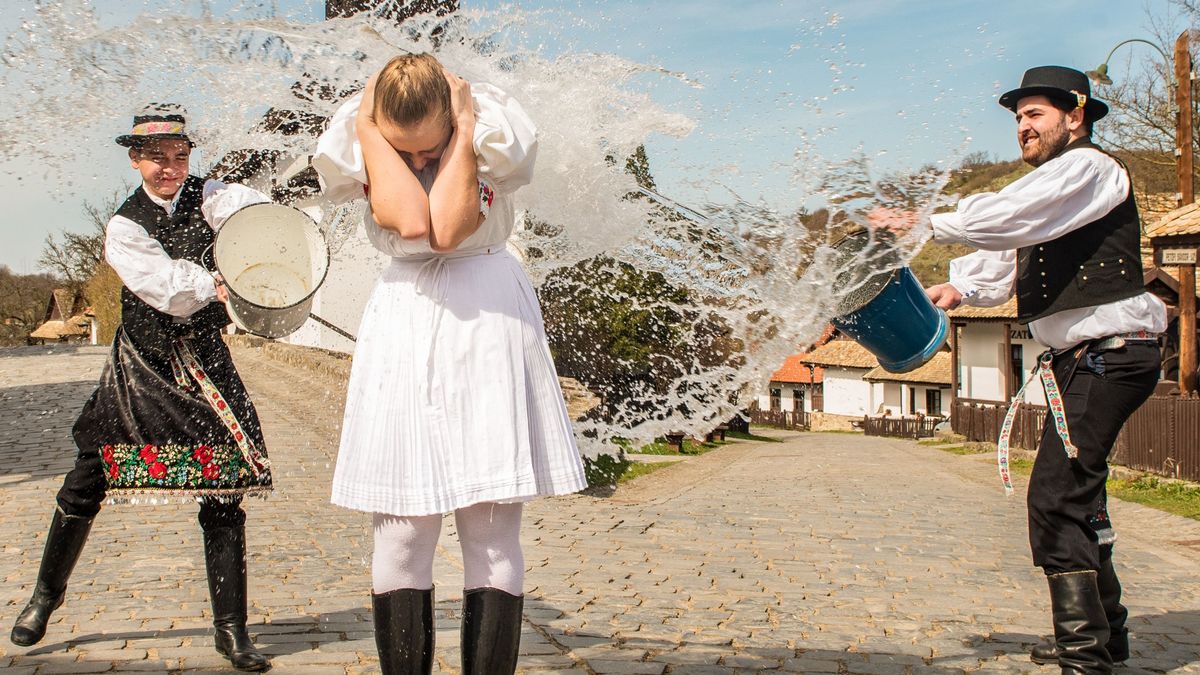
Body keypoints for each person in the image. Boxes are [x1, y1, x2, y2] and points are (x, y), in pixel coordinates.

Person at [311, 53, 587, 674]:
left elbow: (449, 229)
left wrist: (462, 132)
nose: (416, 163)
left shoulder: (491, 125)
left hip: (488, 315)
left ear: (453, 112)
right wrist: (365, 131)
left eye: (427, 148)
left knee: (490, 532)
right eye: (400, 150)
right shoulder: (356, 129)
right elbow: (410, 220)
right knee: (402, 530)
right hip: (404, 317)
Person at [10, 106, 274, 672]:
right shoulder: (125, 226)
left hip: (205, 362)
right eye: (157, 159)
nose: (170, 169)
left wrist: (265, 246)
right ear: (135, 160)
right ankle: (43, 599)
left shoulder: (213, 195)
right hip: (144, 365)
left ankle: (232, 631)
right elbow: (171, 291)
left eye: (180, 157)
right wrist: (219, 281)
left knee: (223, 490)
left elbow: (259, 218)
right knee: (87, 478)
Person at [924, 66, 1167, 674]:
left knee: (1056, 497)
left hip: (1111, 352)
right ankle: (1105, 640)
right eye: (1017, 119)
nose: (1022, 128)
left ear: (1075, 115)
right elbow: (1007, 252)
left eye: (1034, 115)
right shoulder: (1052, 195)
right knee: (1077, 495)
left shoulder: (1089, 168)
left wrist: (927, 219)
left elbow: (1008, 216)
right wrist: (956, 289)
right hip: (1089, 359)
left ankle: (1086, 660)